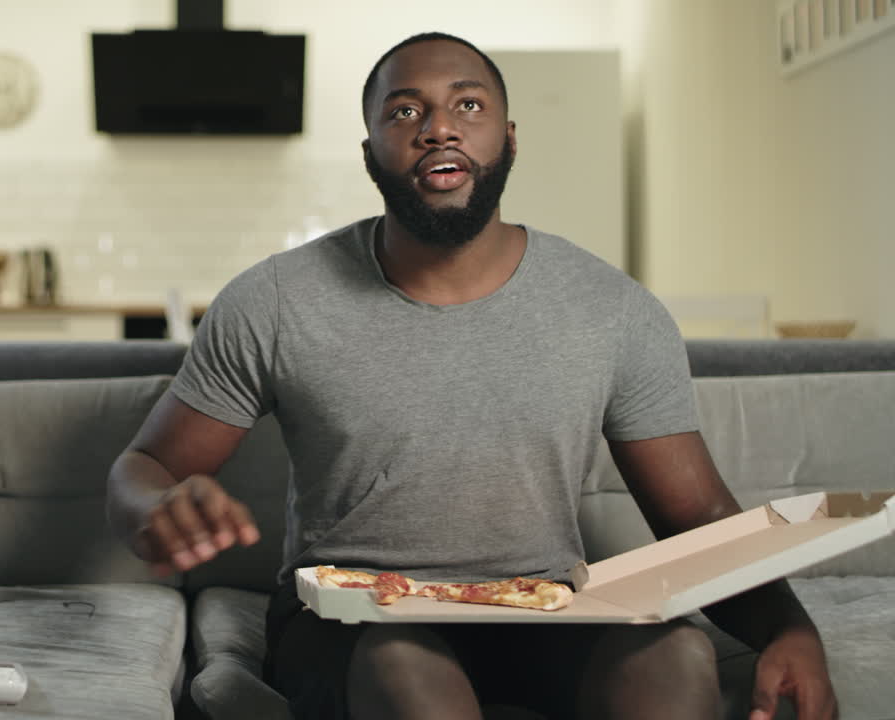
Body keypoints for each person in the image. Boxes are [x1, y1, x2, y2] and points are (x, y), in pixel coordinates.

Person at [107, 31, 838, 720]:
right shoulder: (273, 300)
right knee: (406, 668)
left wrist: (788, 629)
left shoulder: (613, 309)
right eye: (405, 112)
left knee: (676, 655)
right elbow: (146, 467)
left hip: (542, 609)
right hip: (356, 624)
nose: (438, 128)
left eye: (468, 105)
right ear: (370, 153)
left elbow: (697, 513)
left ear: (508, 138)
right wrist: (156, 509)